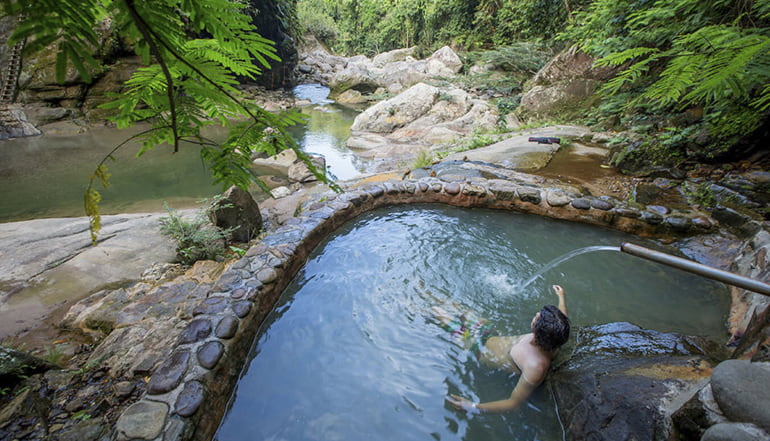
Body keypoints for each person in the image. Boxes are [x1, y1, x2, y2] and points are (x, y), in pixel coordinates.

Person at [433, 285, 569, 413]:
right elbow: (562, 319)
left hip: (476, 346)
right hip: (488, 332)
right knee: (455, 306)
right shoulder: (556, 336)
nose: (536, 315)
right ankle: (420, 289)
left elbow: (513, 404)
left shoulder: (535, 367)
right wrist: (561, 296)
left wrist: (473, 407)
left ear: (539, 331)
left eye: (536, 318)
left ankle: (413, 308)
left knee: (437, 312)